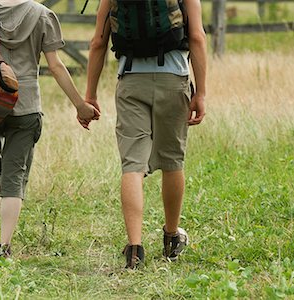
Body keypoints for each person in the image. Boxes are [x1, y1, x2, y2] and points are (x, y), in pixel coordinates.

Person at [0, 0, 100, 258]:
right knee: (15, 175)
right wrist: (80, 105)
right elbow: (55, 66)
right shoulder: (42, 15)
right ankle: (5, 245)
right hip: (25, 105)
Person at [83, 0, 207, 268]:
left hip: (131, 81)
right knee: (172, 161)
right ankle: (172, 238)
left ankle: (135, 249)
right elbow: (197, 37)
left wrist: (90, 94)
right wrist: (202, 93)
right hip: (174, 80)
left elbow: (97, 43)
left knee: (132, 165)